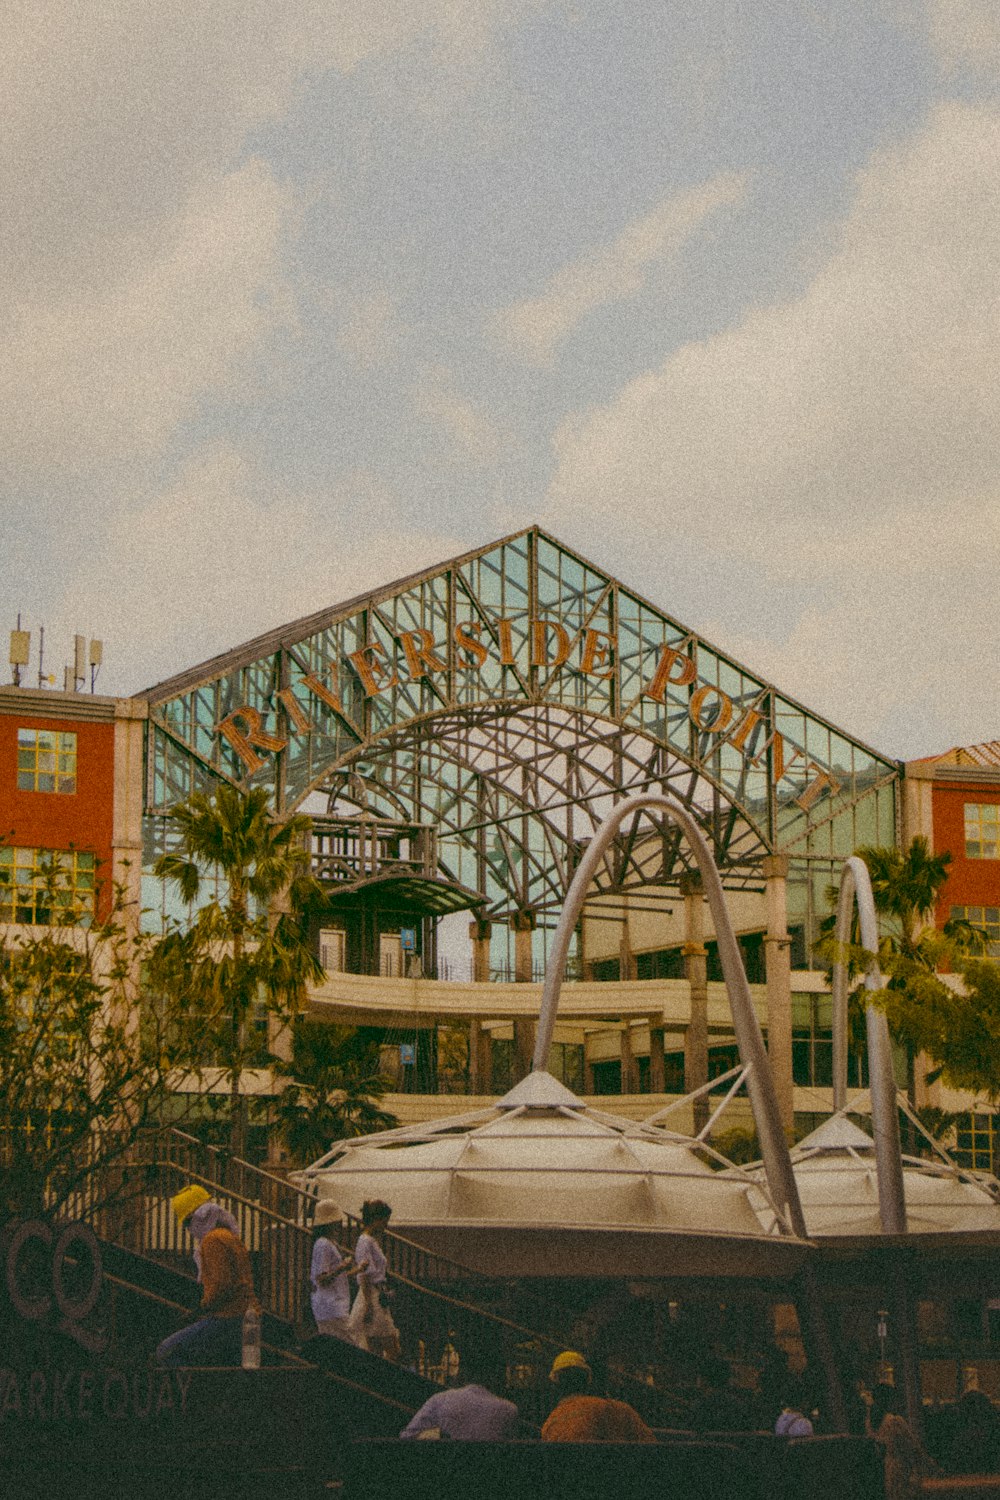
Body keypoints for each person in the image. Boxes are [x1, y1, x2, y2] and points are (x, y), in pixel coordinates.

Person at [156, 1186, 259, 1367]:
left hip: (229, 1317)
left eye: (188, 1223)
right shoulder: (229, 1236)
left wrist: (199, 1310)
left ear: (198, 1218)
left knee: (166, 1350)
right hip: (243, 1314)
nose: (189, 1230)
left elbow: (221, 1286)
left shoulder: (212, 1241)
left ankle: (191, 1392)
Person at [400, 1347, 519, 1440]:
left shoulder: (440, 1399)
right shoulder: (509, 1410)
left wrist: (439, 1434)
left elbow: (407, 1436)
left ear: (462, 1372)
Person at [541, 1350, 656, 1443]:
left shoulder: (552, 1423)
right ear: (588, 1380)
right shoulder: (621, 1410)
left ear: (556, 1383)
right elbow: (651, 1446)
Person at [346, 1199, 400, 1359]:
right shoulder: (364, 1242)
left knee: (375, 1344)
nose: (385, 1225)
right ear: (377, 1219)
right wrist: (369, 1304)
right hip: (372, 1295)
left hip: (378, 1293)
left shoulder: (370, 1241)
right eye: (384, 1221)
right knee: (391, 1344)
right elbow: (364, 1273)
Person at [869, 1382, 938, 1500]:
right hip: (900, 1470)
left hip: (884, 1470)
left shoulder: (871, 1422)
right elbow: (914, 1446)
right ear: (890, 1399)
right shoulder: (895, 1421)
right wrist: (932, 1466)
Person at [309, 1199, 357, 1341]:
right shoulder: (323, 1244)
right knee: (350, 1342)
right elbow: (322, 1278)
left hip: (331, 1305)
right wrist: (342, 1266)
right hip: (331, 1306)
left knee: (335, 1345)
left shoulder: (327, 1243)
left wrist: (355, 1269)